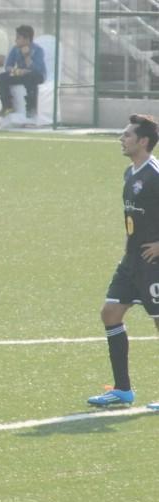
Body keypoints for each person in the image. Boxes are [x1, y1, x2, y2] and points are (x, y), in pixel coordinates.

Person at [88, 115, 159, 411]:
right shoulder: (130, 173)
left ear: (143, 141)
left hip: (153, 262)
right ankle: (122, 390)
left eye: (127, 134)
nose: (122, 138)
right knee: (110, 313)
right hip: (132, 261)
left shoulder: (155, 175)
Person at [0, 25, 46, 119]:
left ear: (27, 39)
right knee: (2, 77)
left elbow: (37, 69)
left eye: (18, 38)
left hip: (36, 76)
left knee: (30, 78)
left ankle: (31, 109)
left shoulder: (38, 50)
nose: (16, 40)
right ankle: (7, 106)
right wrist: (16, 71)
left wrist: (27, 56)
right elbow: (8, 66)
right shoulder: (15, 49)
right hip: (20, 74)